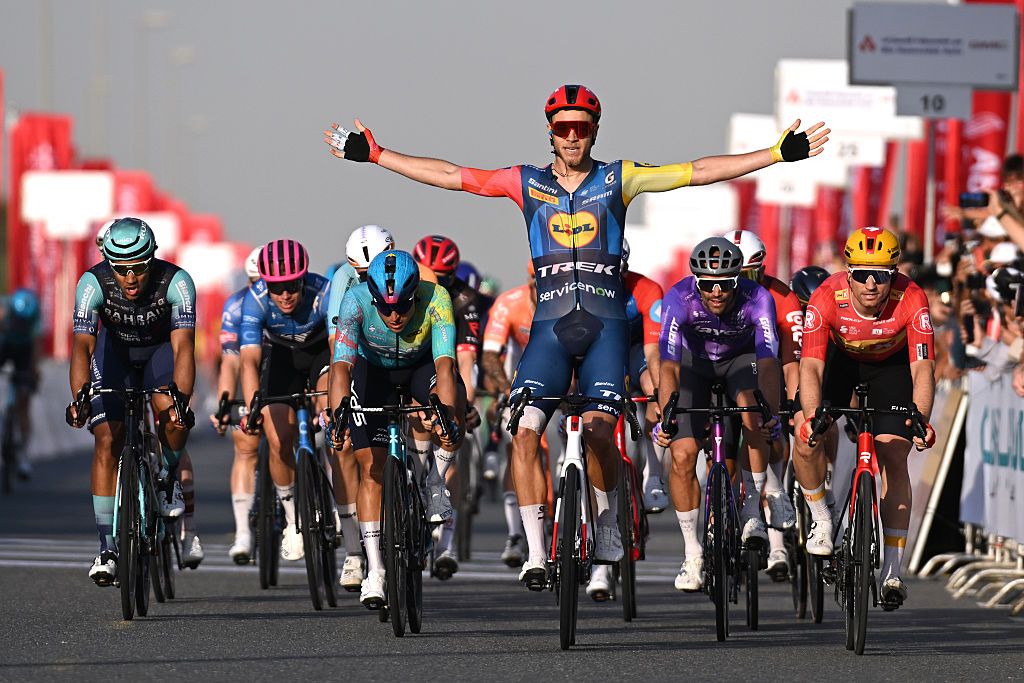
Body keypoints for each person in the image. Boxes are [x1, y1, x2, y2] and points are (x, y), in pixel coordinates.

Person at [324, 84, 829, 588]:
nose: (572, 137)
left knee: (598, 432)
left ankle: (607, 523)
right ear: (550, 133)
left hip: (605, 330)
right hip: (551, 330)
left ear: (594, 132)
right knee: (523, 433)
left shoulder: (618, 178)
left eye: (581, 128)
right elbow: (454, 176)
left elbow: (695, 171)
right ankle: (536, 553)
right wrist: (376, 154)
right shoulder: (525, 183)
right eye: (563, 128)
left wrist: (775, 154)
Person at [793, 227, 936, 608]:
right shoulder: (826, 297)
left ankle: (892, 571)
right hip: (839, 364)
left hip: (890, 369)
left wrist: (921, 417)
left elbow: (923, 368)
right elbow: (810, 367)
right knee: (804, 437)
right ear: (847, 271)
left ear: (895, 273)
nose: (871, 284)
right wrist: (811, 418)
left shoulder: (912, 297)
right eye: (861, 274)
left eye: (882, 275)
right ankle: (822, 517)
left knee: (893, 453)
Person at [327, 250, 465, 608]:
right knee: (369, 469)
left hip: (422, 367)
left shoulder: (436, 298)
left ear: (414, 294)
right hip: (373, 373)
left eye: (402, 307)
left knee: (453, 406)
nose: (394, 316)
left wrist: (446, 418)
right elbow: (340, 368)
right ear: (371, 296)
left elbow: (446, 366)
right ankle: (375, 570)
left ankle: (435, 480)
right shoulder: (354, 301)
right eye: (385, 309)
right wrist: (337, 414)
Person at [67, 217, 197, 585]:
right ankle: (107, 547)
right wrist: (79, 397)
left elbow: (184, 348)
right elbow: (82, 345)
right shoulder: (92, 283)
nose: (130, 278)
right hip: (115, 353)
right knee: (108, 438)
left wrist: (181, 401)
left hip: (159, 351)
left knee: (172, 416)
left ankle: (168, 476)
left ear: (152, 259)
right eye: (121, 270)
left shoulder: (177, 282)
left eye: (139, 268)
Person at [654, 236, 782, 592]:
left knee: (752, 413)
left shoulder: (758, 299)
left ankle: (753, 510)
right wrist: (668, 413)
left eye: (724, 284)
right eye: (707, 284)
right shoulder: (678, 298)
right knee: (682, 455)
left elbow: (769, 362)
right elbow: (668, 364)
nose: (715, 292)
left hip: (740, 363)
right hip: (694, 367)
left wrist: (768, 410)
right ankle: (692, 553)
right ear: (696, 281)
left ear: (737, 279)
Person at [239, 239, 337, 564]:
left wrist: (336, 399)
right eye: (276, 287)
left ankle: (335, 492)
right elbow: (250, 360)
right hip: (281, 357)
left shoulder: (324, 292)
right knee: (277, 434)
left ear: (303, 279)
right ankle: (293, 519)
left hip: (320, 353)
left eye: (291, 286)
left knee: (330, 406)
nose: (284, 295)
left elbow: (340, 354)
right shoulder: (255, 301)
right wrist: (255, 405)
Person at [586, 237, 667, 601]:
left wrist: (657, 391)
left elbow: (654, 350)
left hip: (637, 349)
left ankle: (652, 471)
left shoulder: (646, 289)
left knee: (655, 381)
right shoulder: (582, 286)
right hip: (598, 348)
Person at [724, 229, 802, 581]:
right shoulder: (714, 292)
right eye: (735, 277)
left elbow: (791, 360)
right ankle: (717, 522)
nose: (741, 285)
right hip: (726, 372)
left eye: (751, 276)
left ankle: (777, 542)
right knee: (722, 453)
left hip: (766, 370)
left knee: (772, 438)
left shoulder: (782, 296)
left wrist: (797, 404)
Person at [481, 262, 537, 568]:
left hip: (564, 374)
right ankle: (516, 533)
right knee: (514, 445)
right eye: (536, 284)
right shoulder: (509, 303)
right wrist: (504, 392)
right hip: (517, 374)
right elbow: (490, 354)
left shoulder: (568, 299)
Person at [210, 247, 263, 564]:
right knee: (244, 446)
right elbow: (229, 363)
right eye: (254, 280)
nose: (262, 288)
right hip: (249, 369)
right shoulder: (236, 305)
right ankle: (243, 531)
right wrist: (224, 404)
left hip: (283, 367)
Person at [0, 287, 42, 480]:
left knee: (24, 402)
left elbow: (35, 348)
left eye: (24, 322)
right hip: (5, 345)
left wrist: (33, 373)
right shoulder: (4, 310)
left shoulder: (34, 318)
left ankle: (23, 455)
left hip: (25, 351)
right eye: (17, 320)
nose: (20, 324)